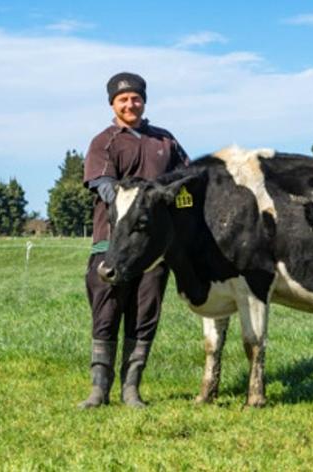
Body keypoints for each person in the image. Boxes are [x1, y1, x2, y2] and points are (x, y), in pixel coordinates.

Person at [79, 72, 189, 408]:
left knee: (144, 315)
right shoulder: (105, 141)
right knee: (106, 313)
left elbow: (185, 179)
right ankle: (99, 390)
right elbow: (102, 184)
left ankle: (131, 389)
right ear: (112, 104)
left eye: (136, 98)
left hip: (153, 251)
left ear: (144, 100)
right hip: (110, 244)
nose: (131, 104)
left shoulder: (164, 140)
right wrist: (130, 196)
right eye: (123, 99)